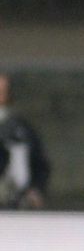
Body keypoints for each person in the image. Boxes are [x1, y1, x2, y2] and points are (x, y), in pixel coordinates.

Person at [0, 74, 51, 209]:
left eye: (3, 90)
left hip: (17, 200)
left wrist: (36, 190)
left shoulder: (21, 128)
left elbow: (40, 164)